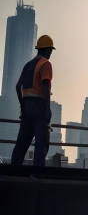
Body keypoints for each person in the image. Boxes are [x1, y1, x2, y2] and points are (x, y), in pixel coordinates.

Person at [11, 35, 55, 166]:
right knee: (41, 144)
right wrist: (47, 109)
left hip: (26, 107)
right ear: (48, 50)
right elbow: (46, 85)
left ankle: (13, 173)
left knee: (21, 144)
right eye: (51, 51)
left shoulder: (28, 65)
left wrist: (22, 106)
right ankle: (38, 175)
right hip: (39, 107)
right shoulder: (45, 64)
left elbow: (18, 86)